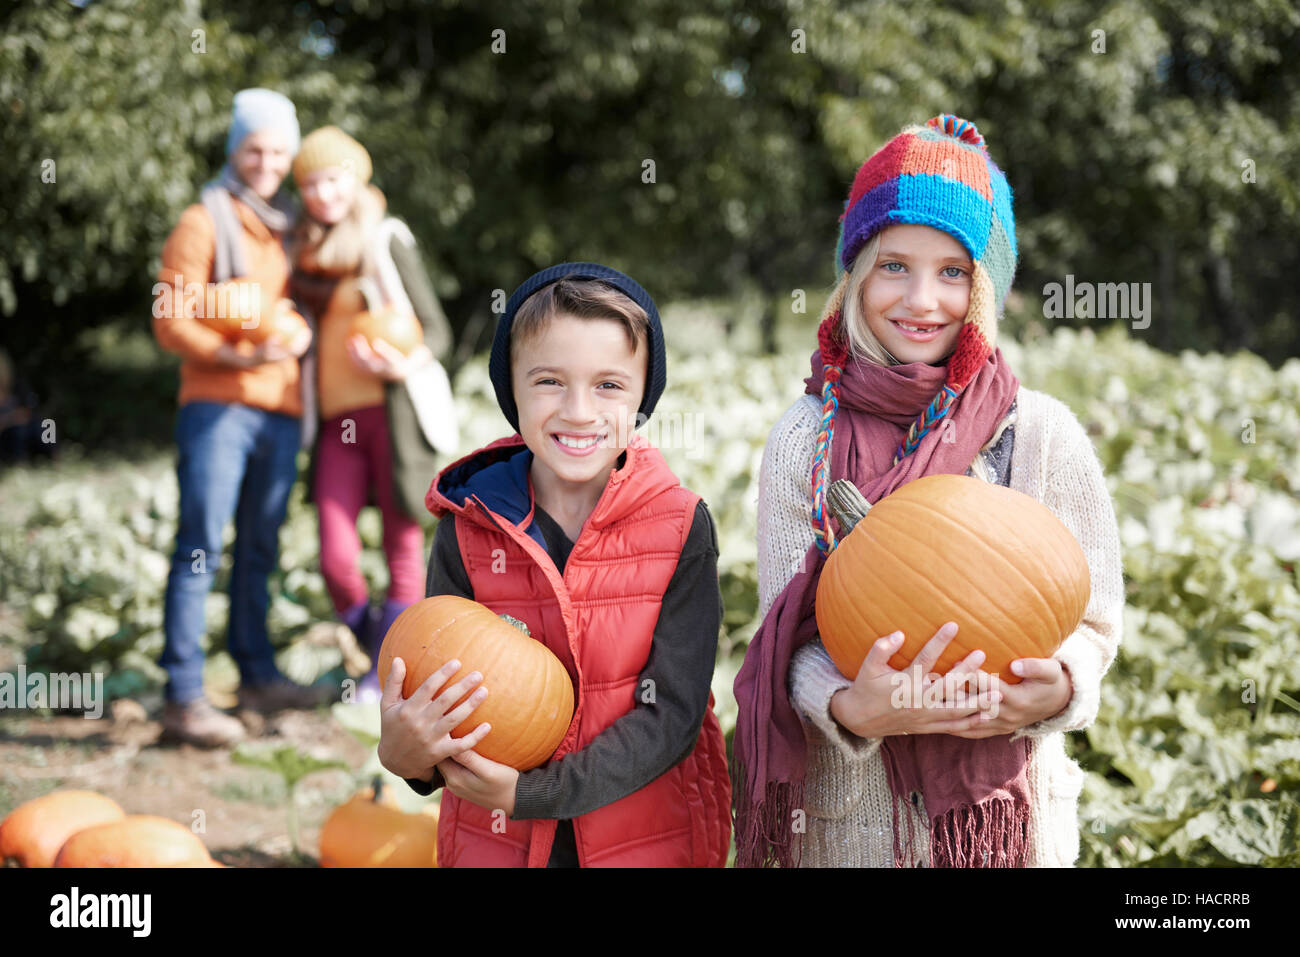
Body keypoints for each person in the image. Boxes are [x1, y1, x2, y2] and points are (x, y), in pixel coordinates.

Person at [733, 114, 1124, 868]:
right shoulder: (804, 440)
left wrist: (1059, 687)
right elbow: (786, 639)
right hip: (856, 831)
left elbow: (1096, 618)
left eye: (952, 271)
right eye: (892, 266)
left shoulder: (1039, 433)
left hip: (1013, 829)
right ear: (855, 274)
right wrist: (852, 704)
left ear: (984, 288)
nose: (921, 298)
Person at [377, 264, 732, 867]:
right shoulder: (467, 529)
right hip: (496, 841)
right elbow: (434, 686)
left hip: (644, 838)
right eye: (548, 381)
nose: (578, 410)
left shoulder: (679, 527)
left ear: (643, 396)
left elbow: (673, 713)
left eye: (609, 386)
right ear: (510, 388)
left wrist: (538, 792)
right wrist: (409, 757)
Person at [153, 89, 329, 748]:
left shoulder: (291, 224)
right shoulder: (205, 219)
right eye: (254, 148)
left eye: (278, 150)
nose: (266, 161)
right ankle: (184, 696)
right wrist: (233, 347)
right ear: (235, 148)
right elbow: (170, 315)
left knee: (261, 548)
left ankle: (256, 676)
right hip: (219, 405)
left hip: (281, 410)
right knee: (201, 546)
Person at [288, 126, 454, 702]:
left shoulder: (385, 238)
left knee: (401, 543)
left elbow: (437, 329)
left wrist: (396, 362)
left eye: (332, 179)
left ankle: (384, 676)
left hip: (393, 414)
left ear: (355, 180)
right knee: (335, 555)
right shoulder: (304, 256)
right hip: (336, 422)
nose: (322, 193)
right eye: (309, 183)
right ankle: (377, 642)